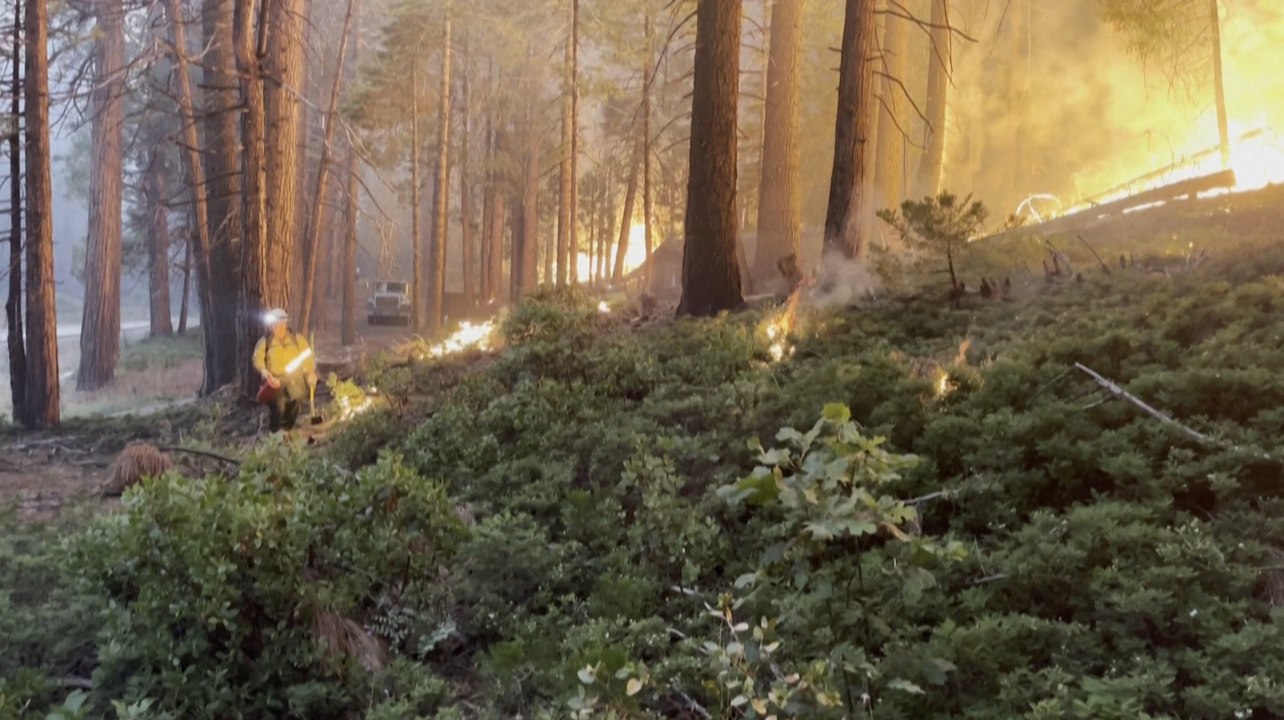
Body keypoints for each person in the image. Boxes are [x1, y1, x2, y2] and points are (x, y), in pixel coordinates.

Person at [252, 309, 317, 432]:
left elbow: (308, 357)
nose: (277, 327)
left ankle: (288, 431)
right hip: (276, 381)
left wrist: (311, 373)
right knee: (279, 407)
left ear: (286, 324)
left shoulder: (298, 340)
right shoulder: (265, 342)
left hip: (296, 381)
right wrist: (266, 373)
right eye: (275, 324)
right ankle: (276, 434)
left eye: (281, 323)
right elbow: (257, 360)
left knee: (295, 405)